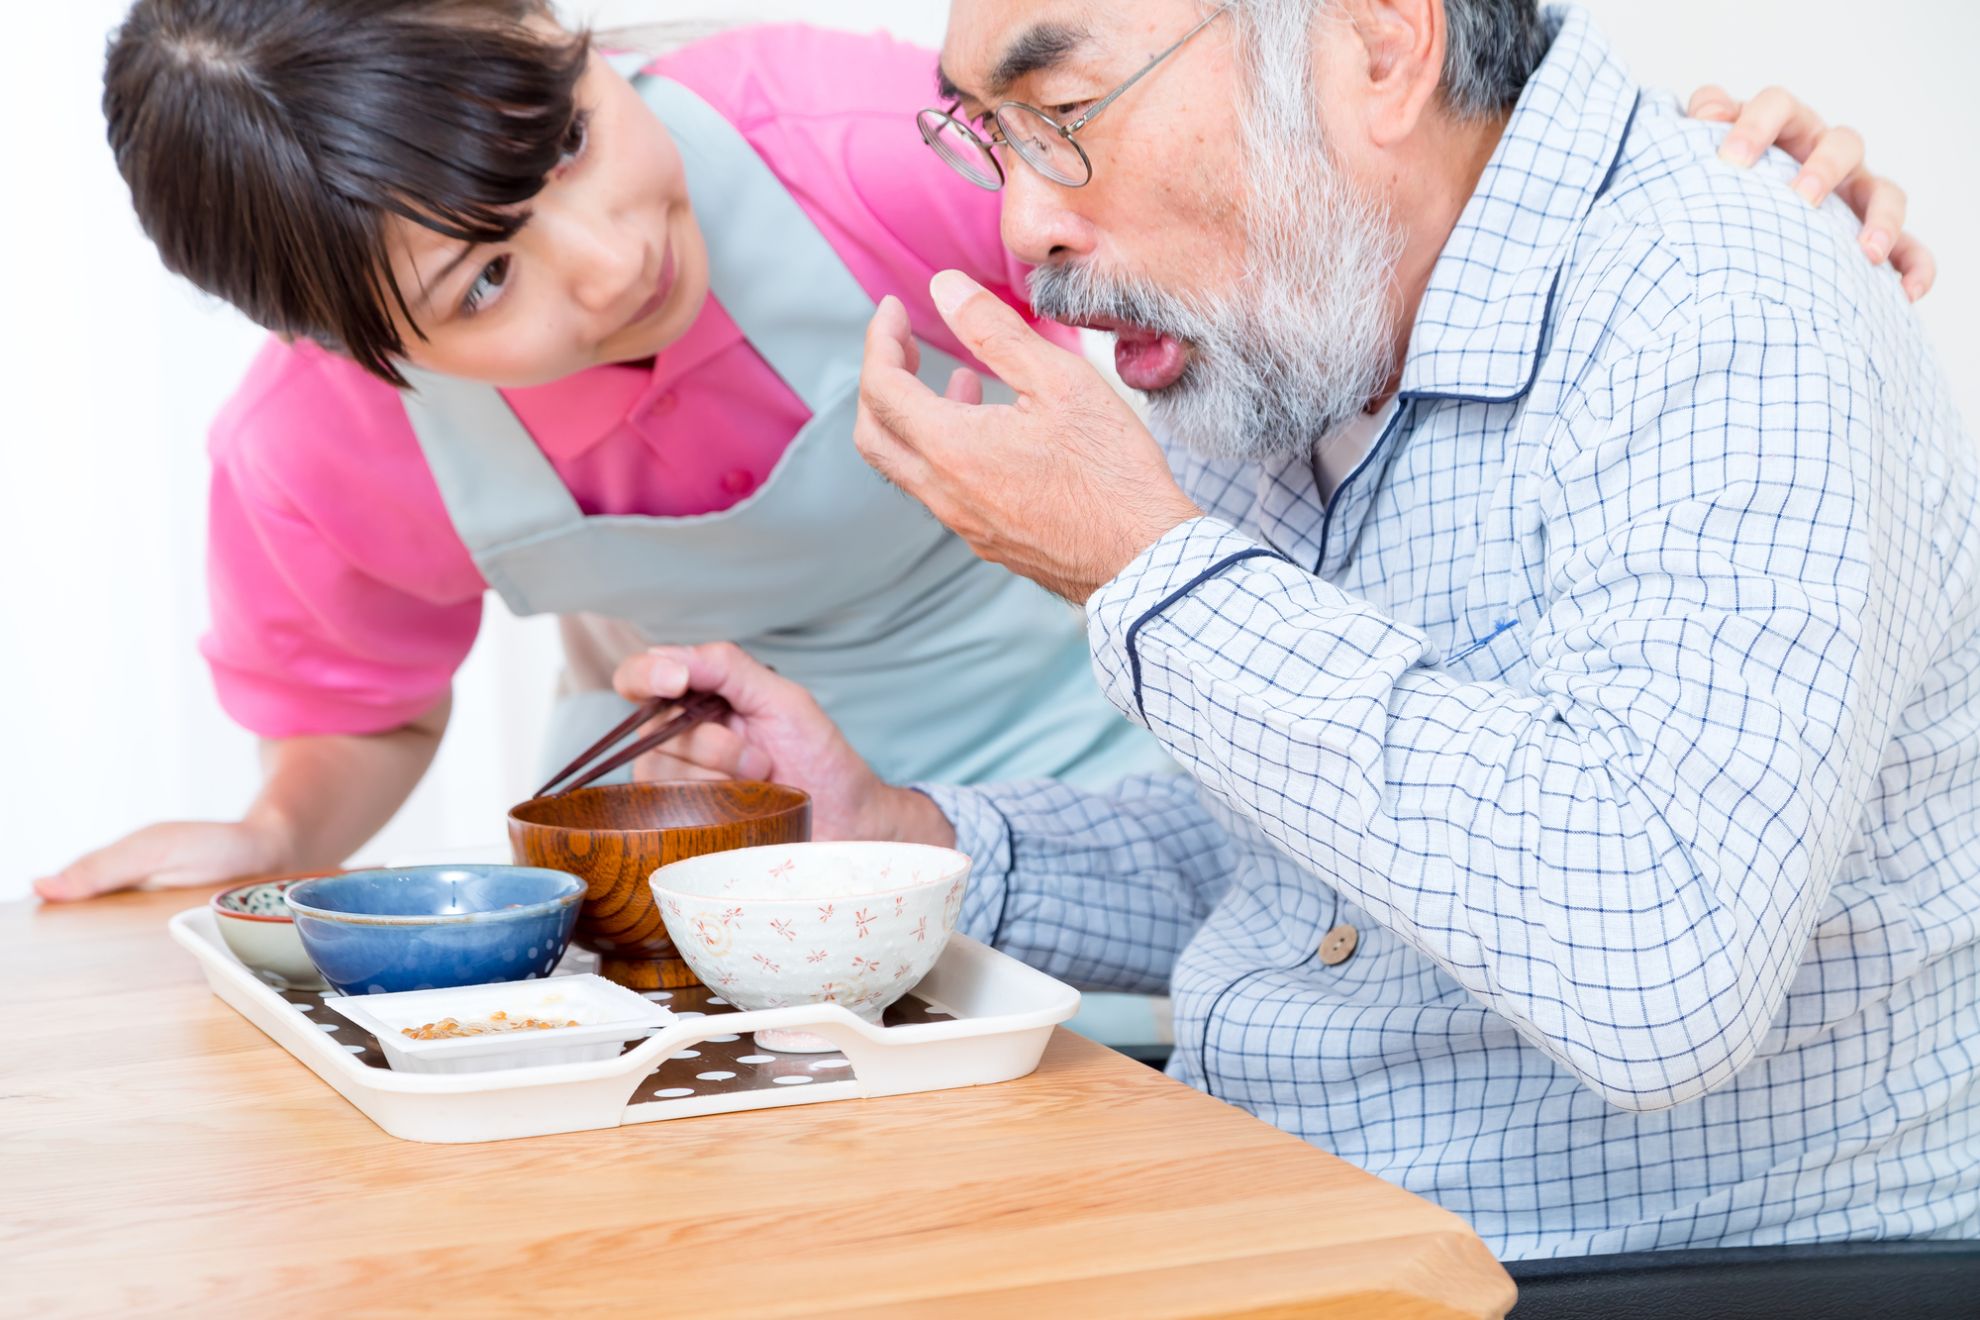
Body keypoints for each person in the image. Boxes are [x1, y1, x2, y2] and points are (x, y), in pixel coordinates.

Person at [613, 0, 1978, 1258]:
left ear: (1381, 47)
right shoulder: (1304, 334)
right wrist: (904, 834)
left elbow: (1657, 957)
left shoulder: (1723, 292)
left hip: (1610, 1275)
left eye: (1066, 115)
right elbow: (1301, 882)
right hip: (1276, 1213)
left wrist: (1145, 566)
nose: (1023, 225)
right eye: (996, 139)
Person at [37, 0, 1913, 904]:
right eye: (491, 277)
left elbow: (1313, 211)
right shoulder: (320, 453)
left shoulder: (860, 142)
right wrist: (281, 834)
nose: (614, 253)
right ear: (352, 346)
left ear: (570, 40)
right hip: (769, 840)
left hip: (1136, 770)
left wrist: (1664, 173)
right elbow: (355, 694)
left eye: (575, 137)